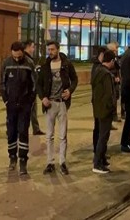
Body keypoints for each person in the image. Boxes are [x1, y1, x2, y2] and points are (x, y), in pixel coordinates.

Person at [38, 41, 78, 175]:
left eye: (52, 49)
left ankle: (62, 162)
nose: (50, 52)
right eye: (48, 50)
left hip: (62, 103)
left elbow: (75, 79)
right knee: (49, 136)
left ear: (58, 49)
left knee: (63, 135)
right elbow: (38, 84)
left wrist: (70, 90)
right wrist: (42, 97)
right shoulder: (45, 66)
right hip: (49, 104)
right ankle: (50, 162)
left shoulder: (66, 64)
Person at [0, 41, 37, 175]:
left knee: (23, 132)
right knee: (11, 132)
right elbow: (2, 83)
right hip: (11, 105)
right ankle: (12, 157)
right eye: (14, 56)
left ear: (22, 53)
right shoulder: (6, 63)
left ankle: (23, 159)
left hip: (24, 105)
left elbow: (34, 84)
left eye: (19, 56)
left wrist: (30, 101)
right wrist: (6, 100)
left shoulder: (29, 63)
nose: (16, 58)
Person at [91, 50, 117, 174]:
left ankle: (100, 159)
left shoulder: (97, 70)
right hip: (105, 110)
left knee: (100, 134)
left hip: (98, 108)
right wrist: (111, 107)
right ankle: (97, 163)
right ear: (111, 61)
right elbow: (109, 94)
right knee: (103, 137)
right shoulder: (106, 74)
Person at [24, 39, 45, 136]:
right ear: (28, 47)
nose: (33, 49)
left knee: (33, 110)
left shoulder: (28, 58)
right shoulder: (26, 59)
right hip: (28, 89)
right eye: (32, 47)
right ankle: (24, 129)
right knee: (27, 110)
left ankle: (36, 128)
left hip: (31, 89)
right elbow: (30, 74)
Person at [91, 46, 108, 153]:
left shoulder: (100, 66)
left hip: (99, 101)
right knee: (98, 127)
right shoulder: (97, 67)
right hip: (98, 101)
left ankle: (100, 150)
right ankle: (97, 150)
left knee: (100, 127)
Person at [107, 42, 123, 122]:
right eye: (114, 51)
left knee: (116, 98)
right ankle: (113, 116)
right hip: (112, 82)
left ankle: (114, 115)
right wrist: (114, 78)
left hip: (116, 82)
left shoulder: (115, 59)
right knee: (112, 100)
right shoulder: (108, 61)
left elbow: (117, 69)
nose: (116, 52)